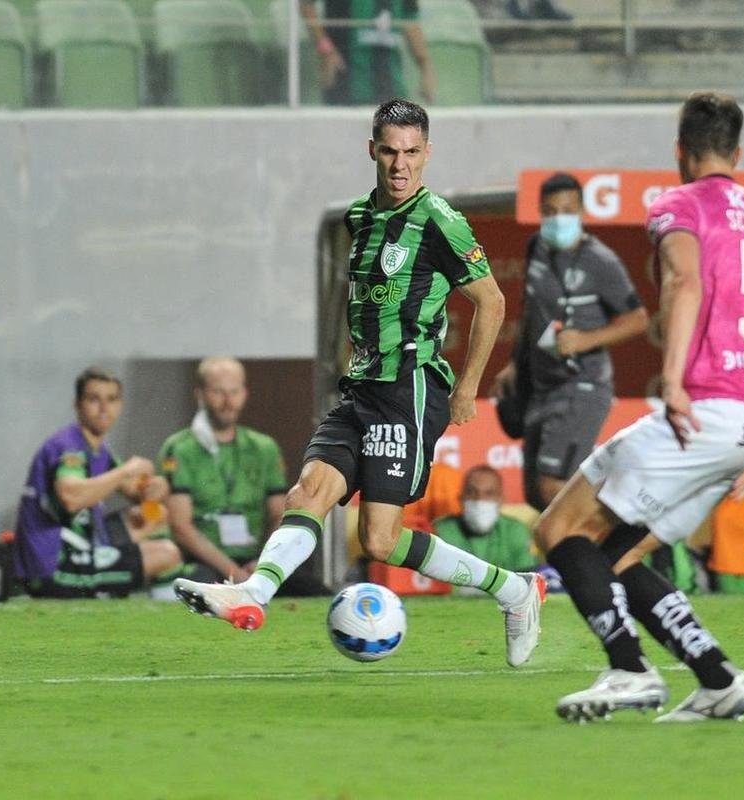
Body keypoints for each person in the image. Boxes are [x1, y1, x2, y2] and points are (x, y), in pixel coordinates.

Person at [175, 99, 546, 669]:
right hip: (361, 388)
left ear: (427, 154)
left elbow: (491, 302)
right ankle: (252, 594)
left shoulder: (440, 220)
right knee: (309, 493)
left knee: (378, 539)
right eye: (391, 152)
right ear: (372, 150)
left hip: (410, 387)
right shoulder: (359, 217)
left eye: (412, 153)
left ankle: (514, 589)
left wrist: (468, 387)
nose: (401, 165)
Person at [533, 92, 744, 722]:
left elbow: (685, 281)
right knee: (617, 554)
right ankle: (719, 680)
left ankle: (628, 670)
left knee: (558, 530)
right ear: (738, 154)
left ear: (679, 150)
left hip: (702, 411)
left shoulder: (678, 204)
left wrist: (672, 381)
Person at [493, 171, 648, 511]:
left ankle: (613, 543)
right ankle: (571, 560)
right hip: (540, 386)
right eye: (550, 210)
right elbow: (530, 311)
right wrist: (514, 364)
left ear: (581, 212)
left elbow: (638, 319)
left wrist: (586, 339)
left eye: (567, 209)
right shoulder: (536, 247)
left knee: (553, 487)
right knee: (536, 495)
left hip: (582, 385)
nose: (558, 217)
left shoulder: (600, 261)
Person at [14, 367, 182, 598]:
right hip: (52, 566)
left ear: (120, 405)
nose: (104, 408)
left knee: (156, 515)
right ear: (77, 405)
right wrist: (126, 470)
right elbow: (70, 498)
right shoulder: (69, 447)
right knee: (167, 554)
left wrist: (156, 487)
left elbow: (137, 492)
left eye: (111, 399)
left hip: (81, 545)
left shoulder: (99, 449)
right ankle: (143, 608)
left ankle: (114, 584)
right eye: (94, 399)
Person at [158, 357, 288, 585]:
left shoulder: (264, 447)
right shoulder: (180, 448)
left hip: (256, 559)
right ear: (199, 394)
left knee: (313, 590)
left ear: (245, 393)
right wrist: (233, 572)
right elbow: (180, 526)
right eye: (218, 392)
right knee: (200, 583)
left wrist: (263, 563)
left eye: (234, 391)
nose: (228, 402)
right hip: (203, 561)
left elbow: (280, 513)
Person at [300, 0, 436, 106]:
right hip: (345, 83)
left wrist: (426, 70)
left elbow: (410, 20)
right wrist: (326, 51)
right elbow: (305, 4)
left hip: (391, 87)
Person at [433, 465, 538, 573]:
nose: (479, 499)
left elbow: (526, 578)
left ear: (501, 499)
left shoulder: (515, 531)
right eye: (472, 492)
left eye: (489, 493)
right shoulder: (441, 531)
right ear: (461, 498)